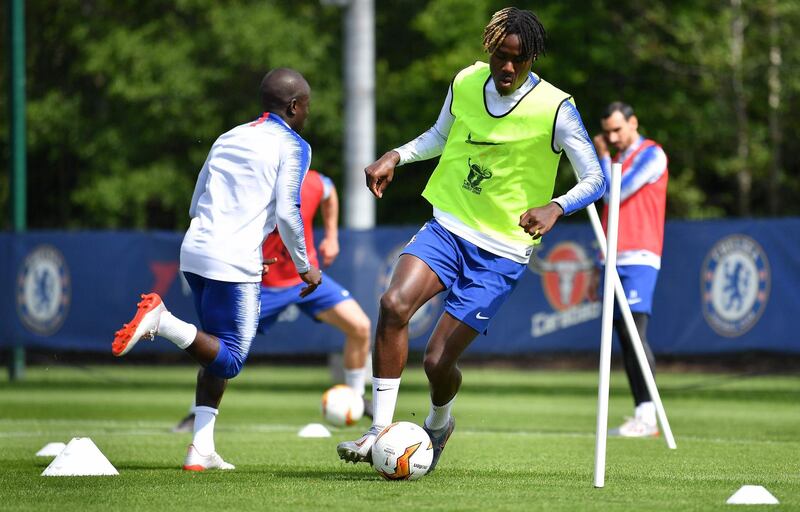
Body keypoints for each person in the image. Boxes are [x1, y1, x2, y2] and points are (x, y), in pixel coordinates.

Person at [337, 7, 606, 472]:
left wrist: (556, 206)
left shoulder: (557, 107)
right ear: (490, 51)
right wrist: (396, 155)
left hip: (502, 252)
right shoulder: (465, 81)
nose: (507, 68)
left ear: (533, 58)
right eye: (501, 56)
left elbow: (596, 177)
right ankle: (379, 429)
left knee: (437, 363)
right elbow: (441, 135)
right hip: (448, 226)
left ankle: (439, 423)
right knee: (394, 304)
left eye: (517, 61)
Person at [112, 67, 322, 470]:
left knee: (213, 351)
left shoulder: (229, 136)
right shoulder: (294, 145)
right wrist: (304, 266)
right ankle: (161, 321)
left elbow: (197, 200)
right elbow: (288, 212)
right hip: (231, 259)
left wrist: (239, 244)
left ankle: (201, 449)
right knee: (230, 359)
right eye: (306, 107)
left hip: (195, 251)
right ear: (295, 106)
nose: (307, 114)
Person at [171, 169, 373, 433]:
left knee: (360, 326)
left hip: (306, 277)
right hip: (261, 285)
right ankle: (195, 413)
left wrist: (332, 237)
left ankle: (356, 398)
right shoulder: (252, 190)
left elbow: (329, 189)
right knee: (225, 349)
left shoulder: (310, 182)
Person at [590, 101, 668, 437]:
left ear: (633, 123)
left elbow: (615, 192)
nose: (612, 136)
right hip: (611, 255)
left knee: (636, 332)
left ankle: (649, 413)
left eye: (618, 129)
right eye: (607, 131)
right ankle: (642, 411)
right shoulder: (618, 158)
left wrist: (603, 156)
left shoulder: (652, 154)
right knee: (623, 335)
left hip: (639, 255)